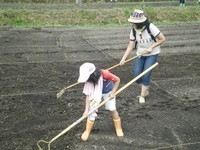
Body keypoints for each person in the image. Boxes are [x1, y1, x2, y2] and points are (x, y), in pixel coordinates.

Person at [119, 9, 165, 104]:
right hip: (140, 54)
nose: (132, 24)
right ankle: (145, 90)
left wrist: (151, 47)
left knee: (146, 74)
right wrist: (123, 59)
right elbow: (131, 45)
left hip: (152, 54)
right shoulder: (133, 30)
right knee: (136, 75)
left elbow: (162, 39)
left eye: (134, 22)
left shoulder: (151, 27)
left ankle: (142, 95)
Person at [78, 62, 124, 141]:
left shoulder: (105, 74)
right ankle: (87, 130)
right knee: (90, 111)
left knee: (112, 108)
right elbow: (88, 96)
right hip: (95, 94)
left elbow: (117, 80)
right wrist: (86, 110)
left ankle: (118, 128)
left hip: (108, 92)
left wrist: (113, 92)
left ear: (93, 74)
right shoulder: (89, 81)